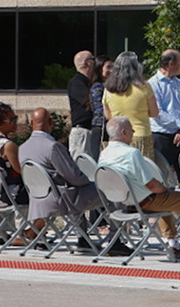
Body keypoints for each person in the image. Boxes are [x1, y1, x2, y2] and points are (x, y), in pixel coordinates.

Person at [98, 116, 180, 262]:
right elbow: (151, 185)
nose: (134, 131)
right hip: (144, 202)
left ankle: (173, 245)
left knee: (163, 198)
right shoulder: (131, 153)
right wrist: (166, 190)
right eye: (131, 129)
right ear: (124, 133)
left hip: (125, 202)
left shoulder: (104, 154)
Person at [20, 107, 131, 255]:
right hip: (63, 200)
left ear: (31, 123)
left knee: (74, 189)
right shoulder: (53, 147)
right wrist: (89, 182)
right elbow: (74, 177)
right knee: (114, 189)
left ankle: (82, 238)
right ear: (50, 122)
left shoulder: (22, 148)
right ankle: (114, 239)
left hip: (38, 199)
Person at [102, 51, 159, 160]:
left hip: (117, 137)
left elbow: (108, 115)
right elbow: (155, 113)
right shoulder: (144, 87)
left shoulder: (108, 89)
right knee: (142, 172)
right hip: (140, 135)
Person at [149, 49, 180, 183]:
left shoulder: (179, 84)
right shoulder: (153, 84)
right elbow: (157, 112)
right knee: (161, 176)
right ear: (171, 63)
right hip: (162, 137)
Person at [67, 50, 98, 161]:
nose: (96, 63)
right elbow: (90, 102)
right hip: (82, 132)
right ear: (86, 63)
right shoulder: (76, 83)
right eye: (93, 59)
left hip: (90, 132)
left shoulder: (89, 83)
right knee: (82, 167)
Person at [0, 102, 27, 209]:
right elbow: (20, 170)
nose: (15, 123)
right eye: (12, 120)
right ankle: (33, 226)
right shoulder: (8, 146)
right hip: (9, 194)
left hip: (4, 192)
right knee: (49, 195)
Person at [89, 56, 111, 153]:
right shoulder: (98, 86)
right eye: (108, 67)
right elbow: (99, 109)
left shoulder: (109, 85)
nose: (112, 70)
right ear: (99, 69)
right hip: (100, 128)